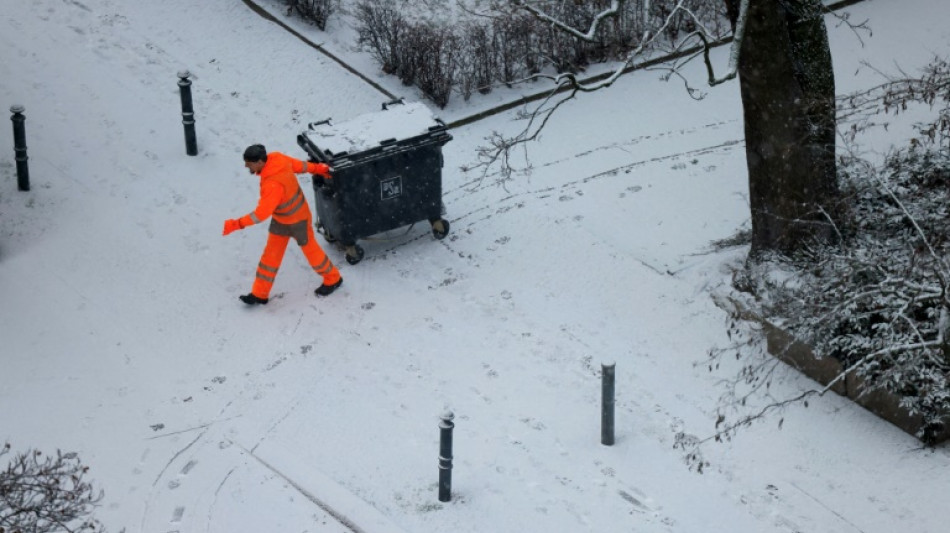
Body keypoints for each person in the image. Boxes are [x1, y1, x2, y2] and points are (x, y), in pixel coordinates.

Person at [223, 144, 342, 305]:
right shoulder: (277, 159)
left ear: (259, 162)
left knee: (312, 253)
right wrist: (320, 169)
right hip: (281, 220)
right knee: (270, 257)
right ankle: (260, 293)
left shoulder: (272, 184)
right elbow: (301, 166)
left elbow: (260, 214)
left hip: (298, 220)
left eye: (248, 163)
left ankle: (333, 279)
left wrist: (236, 224)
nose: (246, 166)